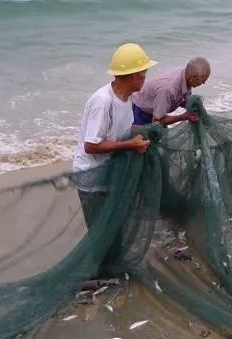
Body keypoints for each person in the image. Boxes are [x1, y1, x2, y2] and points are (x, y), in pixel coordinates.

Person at [73, 42, 155, 229]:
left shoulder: (127, 98)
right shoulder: (103, 102)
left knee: (112, 226)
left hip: (108, 172)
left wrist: (142, 135)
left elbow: (122, 130)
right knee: (99, 230)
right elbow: (91, 145)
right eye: (143, 73)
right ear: (134, 76)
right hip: (91, 176)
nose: (145, 77)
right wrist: (131, 145)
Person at [131, 57, 210, 126]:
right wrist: (185, 116)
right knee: (145, 139)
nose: (203, 83)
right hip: (141, 110)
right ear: (193, 77)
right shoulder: (168, 89)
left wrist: (193, 107)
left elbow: (179, 98)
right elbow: (157, 121)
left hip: (158, 108)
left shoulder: (186, 75)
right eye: (203, 80)